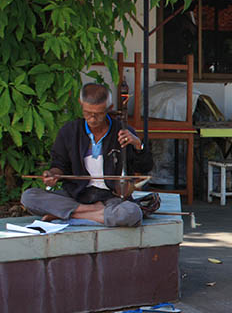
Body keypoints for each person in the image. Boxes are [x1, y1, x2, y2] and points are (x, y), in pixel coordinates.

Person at [21, 83, 152, 227]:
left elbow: (145, 167)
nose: (92, 119)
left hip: (110, 198)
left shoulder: (123, 132)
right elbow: (59, 165)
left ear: (109, 108)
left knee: (132, 213)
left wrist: (138, 145)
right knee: (29, 197)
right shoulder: (69, 131)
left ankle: (65, 215)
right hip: (77, 195)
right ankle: (92, 213)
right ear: (81, 105)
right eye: (88, 113)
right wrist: (53, 174)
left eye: (99, 114)